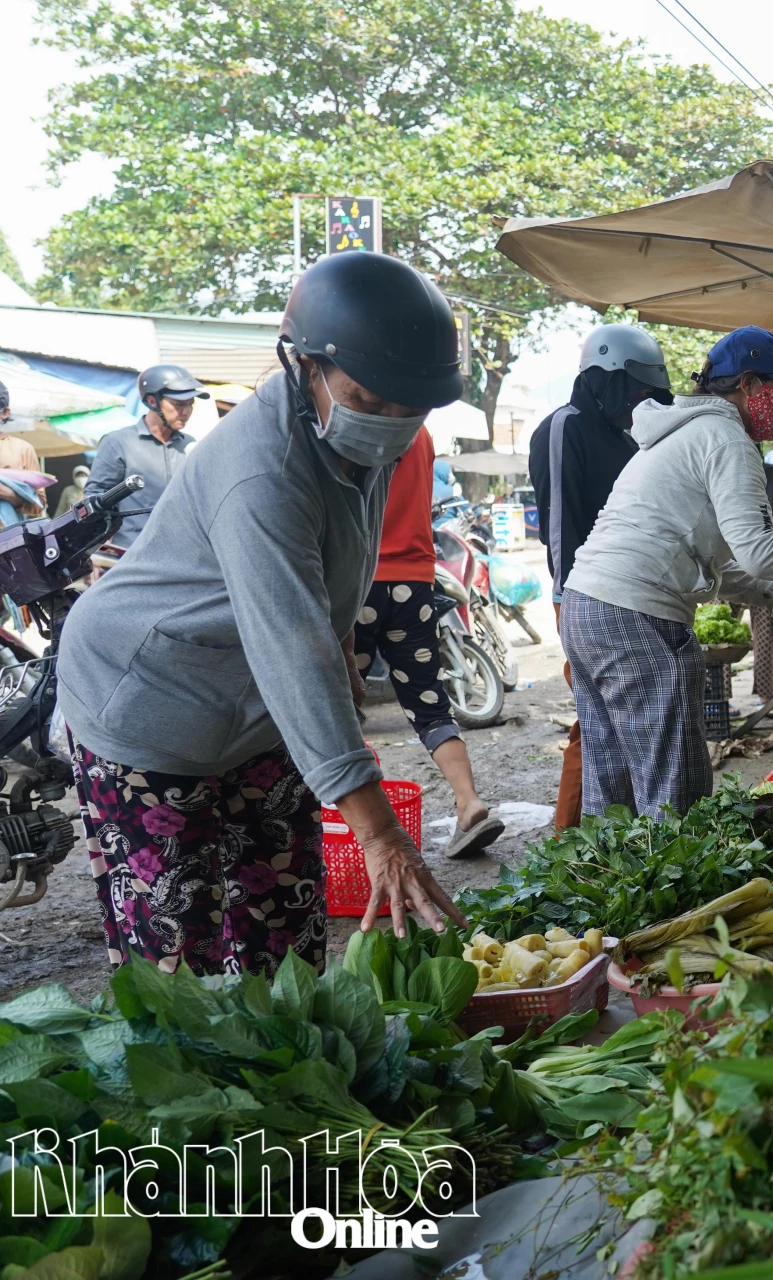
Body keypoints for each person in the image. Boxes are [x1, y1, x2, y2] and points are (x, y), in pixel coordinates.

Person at [57, 251, 470, 975]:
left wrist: (344, 645)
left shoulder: (367, 446)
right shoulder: (262, 471)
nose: (393, 422)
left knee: (285, 930)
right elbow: (290, 647)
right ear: (305, 365)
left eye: (412, 406)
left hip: (253, 708)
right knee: (181, 956)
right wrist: (379, 835)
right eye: (371, 401)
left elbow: (334, 570)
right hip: (148, 698)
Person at [560, 326, 773, 818]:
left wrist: (769, 594)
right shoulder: (725, 438)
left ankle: (603, 884)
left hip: (586, 608)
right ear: (748, 384)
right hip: (635, 616)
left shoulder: (682, 431)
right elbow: (761, 550)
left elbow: (716, 556)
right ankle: (680, 894)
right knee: (672, 791)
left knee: (612, 787)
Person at [528, 323, 673, 832]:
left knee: (615, 728)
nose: (641, 400)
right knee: (592, 729)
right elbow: (560, 522)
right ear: (603, 377)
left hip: (627, 595)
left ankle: (614, 835)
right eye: (634, 389)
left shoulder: (626, 438)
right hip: (581, 595)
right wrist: (567, 603)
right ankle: (567, 843)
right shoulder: (564, 427)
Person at [355, 430, 504, 861]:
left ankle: (344, 828)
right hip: (415, 581)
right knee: (429, 705)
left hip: (359, 583)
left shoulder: (353, 416)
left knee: (338, 712)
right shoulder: (419, 430)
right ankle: (469, 802)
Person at [87, 364, 205, 549]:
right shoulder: (118, 442)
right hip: (131, 554)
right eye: (178, 404)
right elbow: (96, 499)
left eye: (191, 404)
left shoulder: (191, 445)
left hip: (184, 553)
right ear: (152, 401)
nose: (186, 412)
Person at [750, 449, 773, 712]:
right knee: (764, 629)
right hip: (763, 556)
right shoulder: (770, 473)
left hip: (726, 555)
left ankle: (718, 698)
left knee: (721, 632)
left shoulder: (723, 464)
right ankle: (766, 693)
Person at [0, 381, 45, 519]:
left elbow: (39, 504)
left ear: (5, 413)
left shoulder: (23, 450)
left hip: (7, 537)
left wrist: (10, 495)